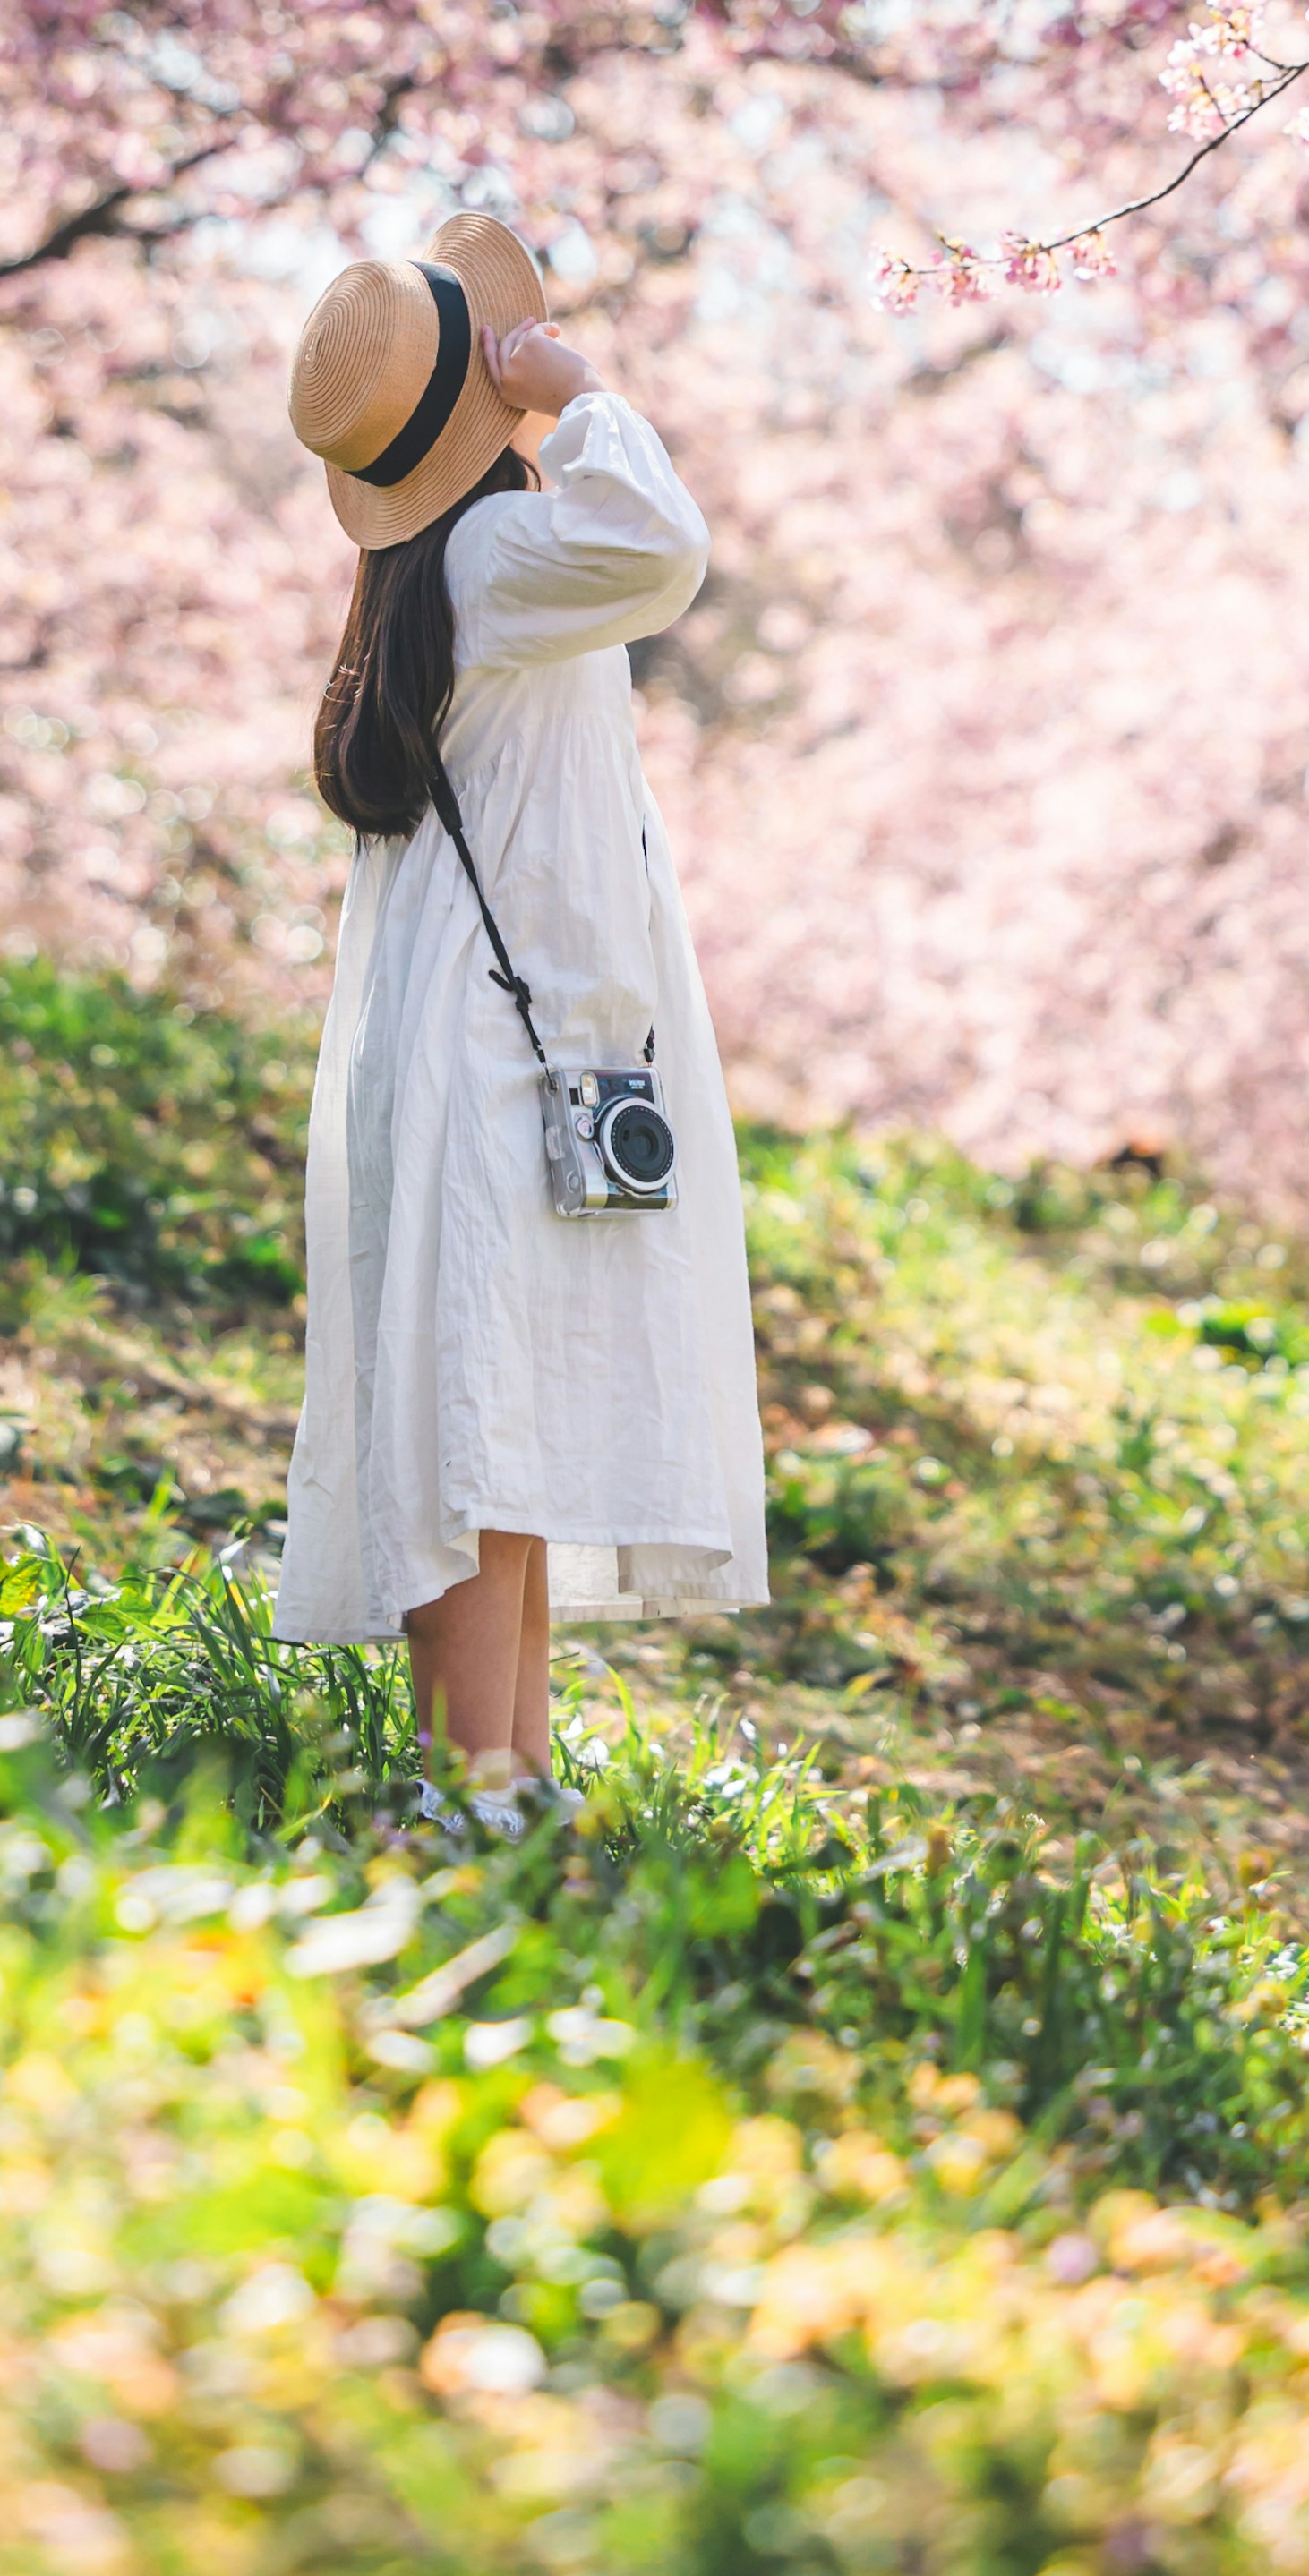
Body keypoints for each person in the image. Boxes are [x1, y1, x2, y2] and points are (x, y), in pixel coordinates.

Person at [271, 209, 768, 1801]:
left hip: (483, 1027)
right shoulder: (498, 552)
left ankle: (505, 1768)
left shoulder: (431, 571)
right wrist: (579, 391)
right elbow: (665, 548)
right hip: (508, 1038)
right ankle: (469, 1780)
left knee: (495, 1415)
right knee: (485, 1427)